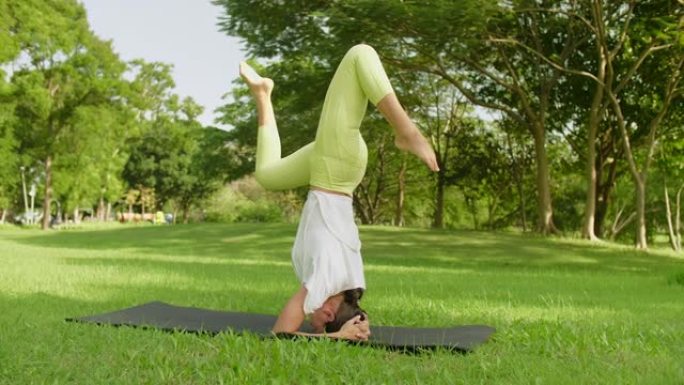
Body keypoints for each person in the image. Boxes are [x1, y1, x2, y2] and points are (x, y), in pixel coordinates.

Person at [239, 44, 438, 341]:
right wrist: (336, 336)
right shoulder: (322, 284)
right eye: (316, 323)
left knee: (268, 174)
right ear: (329, 313)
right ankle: (406, 132)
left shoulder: (353, 282)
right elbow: (282, 333)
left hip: (333, 169)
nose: (310, 319)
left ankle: (263, 94)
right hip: (335, 166)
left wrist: (357, 323)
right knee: (359, 54)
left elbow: (356, 313)